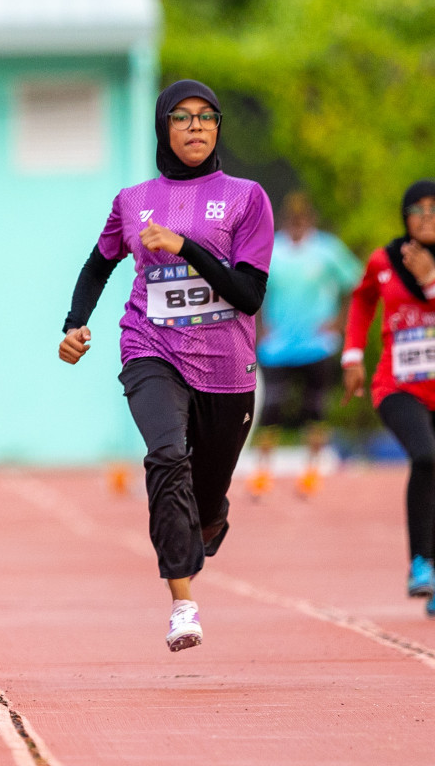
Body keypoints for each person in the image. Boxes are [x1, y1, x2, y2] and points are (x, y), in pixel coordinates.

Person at [58, 79, 274, 652]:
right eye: (182, 117)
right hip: (151, 348)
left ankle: (209, 516)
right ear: (164, 128)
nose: (196, 126)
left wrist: (185, 247)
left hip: (227, 368)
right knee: (166, 456)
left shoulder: (247, 198)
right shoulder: (132, 200)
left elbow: (248, 295)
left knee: (203, 507)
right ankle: (183, 605)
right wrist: (74, 323)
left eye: (207, 117)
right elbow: (97, 265)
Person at [342, 180, 435, 610]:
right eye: (417, 209)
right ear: (405, 216)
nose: (427, 216)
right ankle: (420, 561)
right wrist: (353, 356)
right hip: (398, 386)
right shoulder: (385, 260)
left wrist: (430, 283)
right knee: (425, 456)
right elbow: (362, 301)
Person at [257, 192, 361, 434]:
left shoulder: (327, 249)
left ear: (311, 219)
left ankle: (315, 466)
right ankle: (264, 468)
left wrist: (339, 321)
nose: (297, 222)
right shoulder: (272, 249)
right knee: (271, 405)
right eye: (293, 217)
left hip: (317, 341)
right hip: (277, 343)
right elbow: (254, 290)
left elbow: (354, 285)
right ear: (284, 219)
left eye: (302, 217)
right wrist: (259, 328)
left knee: (315, 405)